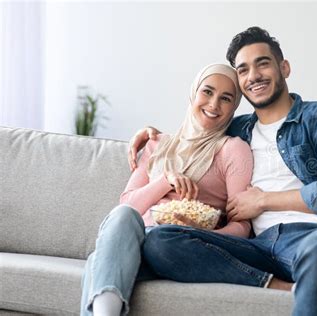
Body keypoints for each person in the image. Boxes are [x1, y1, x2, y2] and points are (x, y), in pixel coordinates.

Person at [129, 27, 317, 316]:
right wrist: (154, 135)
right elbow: (198, 126)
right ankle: (276, 285)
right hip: (260, 247)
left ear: (284, 68)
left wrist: (263, 200)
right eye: (243, 70)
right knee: (160, 240)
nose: (253, 76)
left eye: (263, 63)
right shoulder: (237, 131)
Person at [80, 63, 255, 316]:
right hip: (134, 239)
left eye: (226, 98)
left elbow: (243, 226)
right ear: (193, 94)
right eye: (207, 92)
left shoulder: (232, 149)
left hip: (176, 244)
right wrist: (165, 180)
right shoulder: (157, 144)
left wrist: (206, 236)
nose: (214, 104)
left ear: (235, 107)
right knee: (122, 218)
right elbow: (126, 206)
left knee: (97, 262)